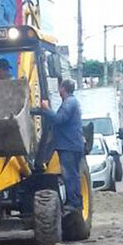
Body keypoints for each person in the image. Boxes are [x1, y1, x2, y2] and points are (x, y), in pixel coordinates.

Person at [32, 79, 84, 214]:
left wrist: (46, 109)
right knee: (72, 174)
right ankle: (74, 203)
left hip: (69, 146)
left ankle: (74, 204)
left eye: (60, 88)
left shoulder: (69, 103)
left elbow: (58, 119)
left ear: (62, 89)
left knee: (70, 175)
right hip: (71, 145)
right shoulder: (71, 102)